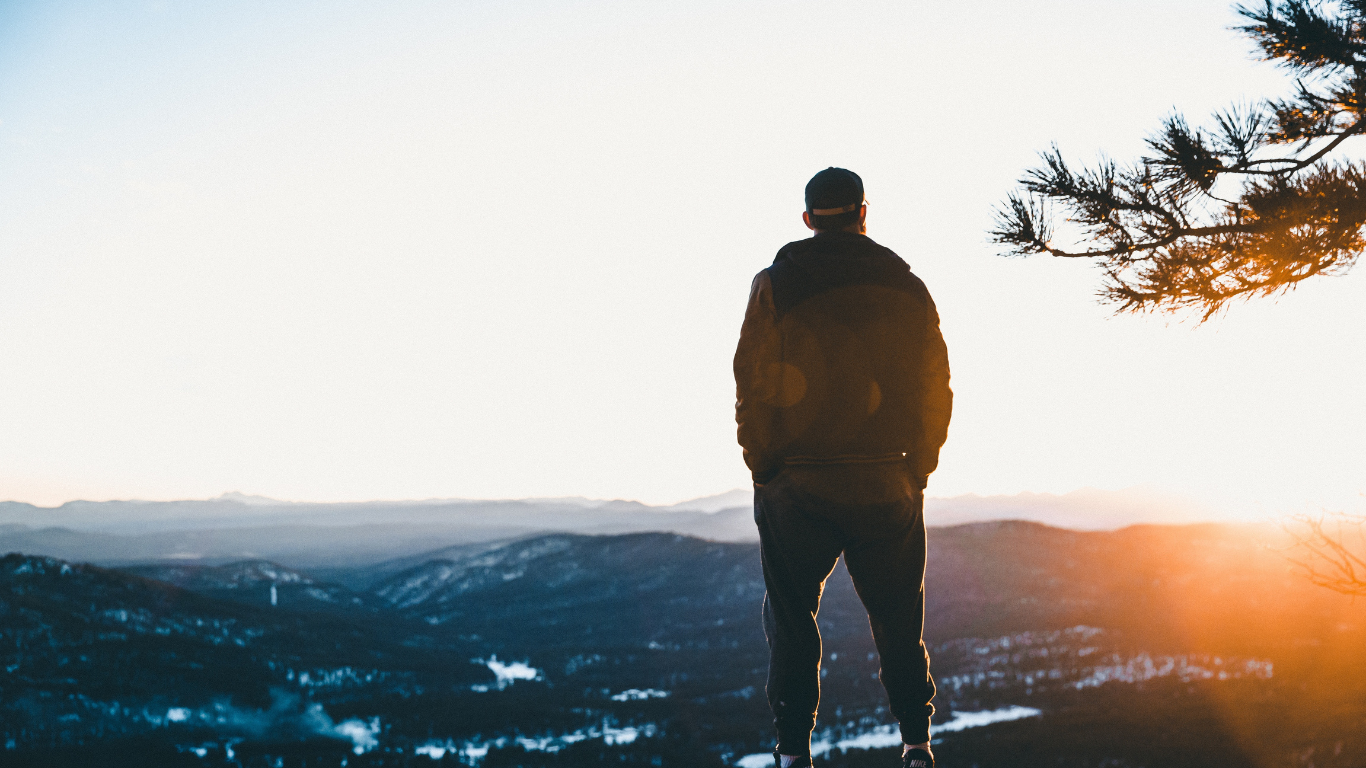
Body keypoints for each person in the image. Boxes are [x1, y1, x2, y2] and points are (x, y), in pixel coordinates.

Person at [733, 167, 952, 768]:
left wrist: (764, 465)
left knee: (792, 617)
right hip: (888, 477)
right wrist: (920, 465)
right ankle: (915, 743)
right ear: (864, 213)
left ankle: (794, 751)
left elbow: (750, 377)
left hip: (798, 481)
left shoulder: (774, 284)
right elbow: (936, 381)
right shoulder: (908, 286)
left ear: (807, 219)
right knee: (899, 618)